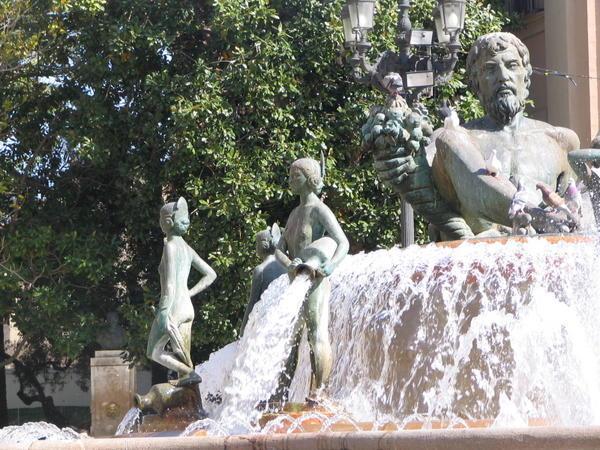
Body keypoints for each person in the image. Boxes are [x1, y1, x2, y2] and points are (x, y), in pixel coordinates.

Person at [375, 33, 579, 237]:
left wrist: (570, 213)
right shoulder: (453, 139)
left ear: (526, 77)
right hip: (476, 258)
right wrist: (395, 156)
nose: (503, 76)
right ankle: (534, 215)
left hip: (541, 256)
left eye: (512, 65)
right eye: (490, 69)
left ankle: (533, 217)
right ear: (475, 83)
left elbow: (580, 212)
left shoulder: (561, 142)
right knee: (449, 137)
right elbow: (414, 174)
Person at [275, 158, 349, 395]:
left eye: (294, 176)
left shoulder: (319, 209)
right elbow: (279, 249)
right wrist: (289, 264)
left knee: (316, 332)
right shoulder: (294, 213)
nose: (289, 181)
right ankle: (281, 395)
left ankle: (318, 393)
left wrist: (331, 266)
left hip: (316, 277)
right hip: (296, 278)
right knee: (292, 340)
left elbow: (342, 241)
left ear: (309, 179)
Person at [146, 197, 217, 386]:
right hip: (187, 307)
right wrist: (189, 293)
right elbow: (211, 274)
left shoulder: (170, 246)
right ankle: (190, 402)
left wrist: (162, 311)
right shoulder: (187, 248)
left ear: (167, 222)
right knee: (184, 354)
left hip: (172, 308)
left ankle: (188, 374)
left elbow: (169, 284)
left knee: (153, 351)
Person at [239, 224, 286, 336]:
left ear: (264, 244)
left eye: (256, 244)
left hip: (266, 320)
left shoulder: (260, 269)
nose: (256, 248)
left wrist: (243, 330)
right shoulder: (286, 266)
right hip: (283, 318)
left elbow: (253, 302)